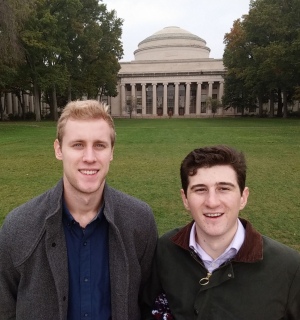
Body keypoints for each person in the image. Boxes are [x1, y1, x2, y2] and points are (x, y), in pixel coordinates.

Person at [0, 100, 158, 320]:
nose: (90, 158)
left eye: (100, 145)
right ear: (58, 150)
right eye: (78, 145)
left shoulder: (140, 221)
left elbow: (149, 305)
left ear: (112, 152)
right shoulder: (19, 227)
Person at [142, 145, 300, 319]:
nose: (212, 202)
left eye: (224, 188)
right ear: (185, 199)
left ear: (243, 197)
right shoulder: (166, 250)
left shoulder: (290, 268)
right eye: (200, 189)